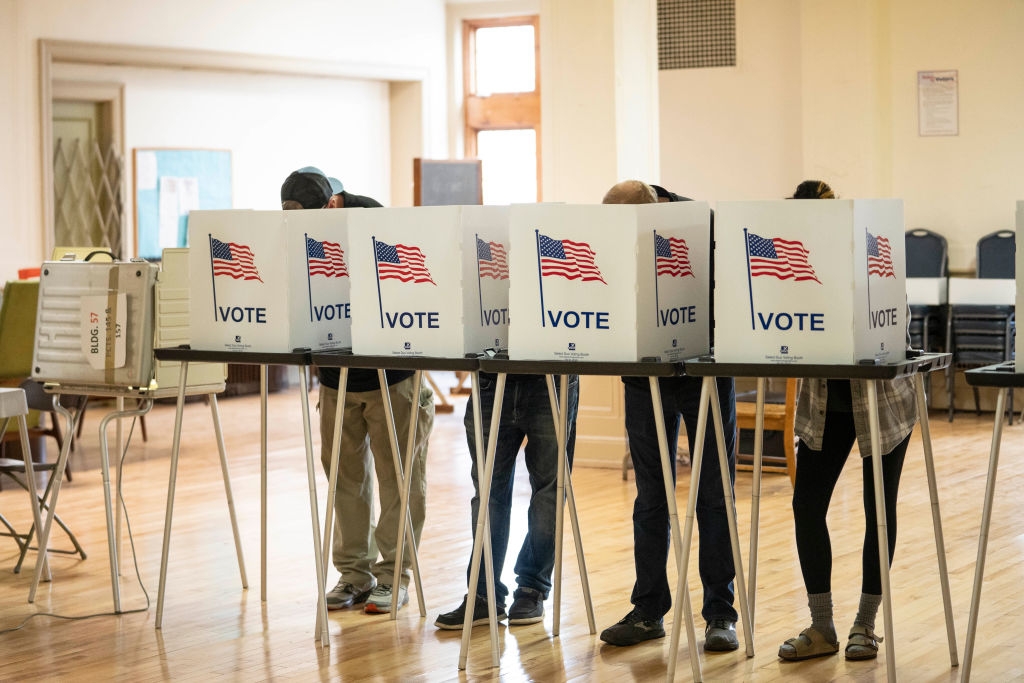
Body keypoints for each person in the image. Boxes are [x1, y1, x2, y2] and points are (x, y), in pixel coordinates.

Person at [280, 167, 435, 614]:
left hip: (393, 377)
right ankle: (354, 574)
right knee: (344, 477)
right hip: (335, 377)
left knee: (399, 477)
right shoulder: (301, 228)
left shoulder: (375, 223)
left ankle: (393, 576)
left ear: (332, 204)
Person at [777, 179, 917, 661]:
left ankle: (865, 622)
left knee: (878, 510)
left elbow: (899, 318)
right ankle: (821, 626)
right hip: (823, 406)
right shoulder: (789, 263)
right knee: (806, 506)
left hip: (883, 405)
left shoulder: (871, 251)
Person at [598, 179, 740, 652]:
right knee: (650, 497)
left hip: (702, 369)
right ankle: (648, 611)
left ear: (653, 210)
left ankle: (721, 613)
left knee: (714, 495)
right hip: (644, 377)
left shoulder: (698, 221)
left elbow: (731, 294)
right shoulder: (622, 221)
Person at [433, 369, 580, 629]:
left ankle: (532, 588)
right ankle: (482, 595)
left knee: (549, 490)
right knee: (487, 493)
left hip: (551, 379)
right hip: (490, 378)